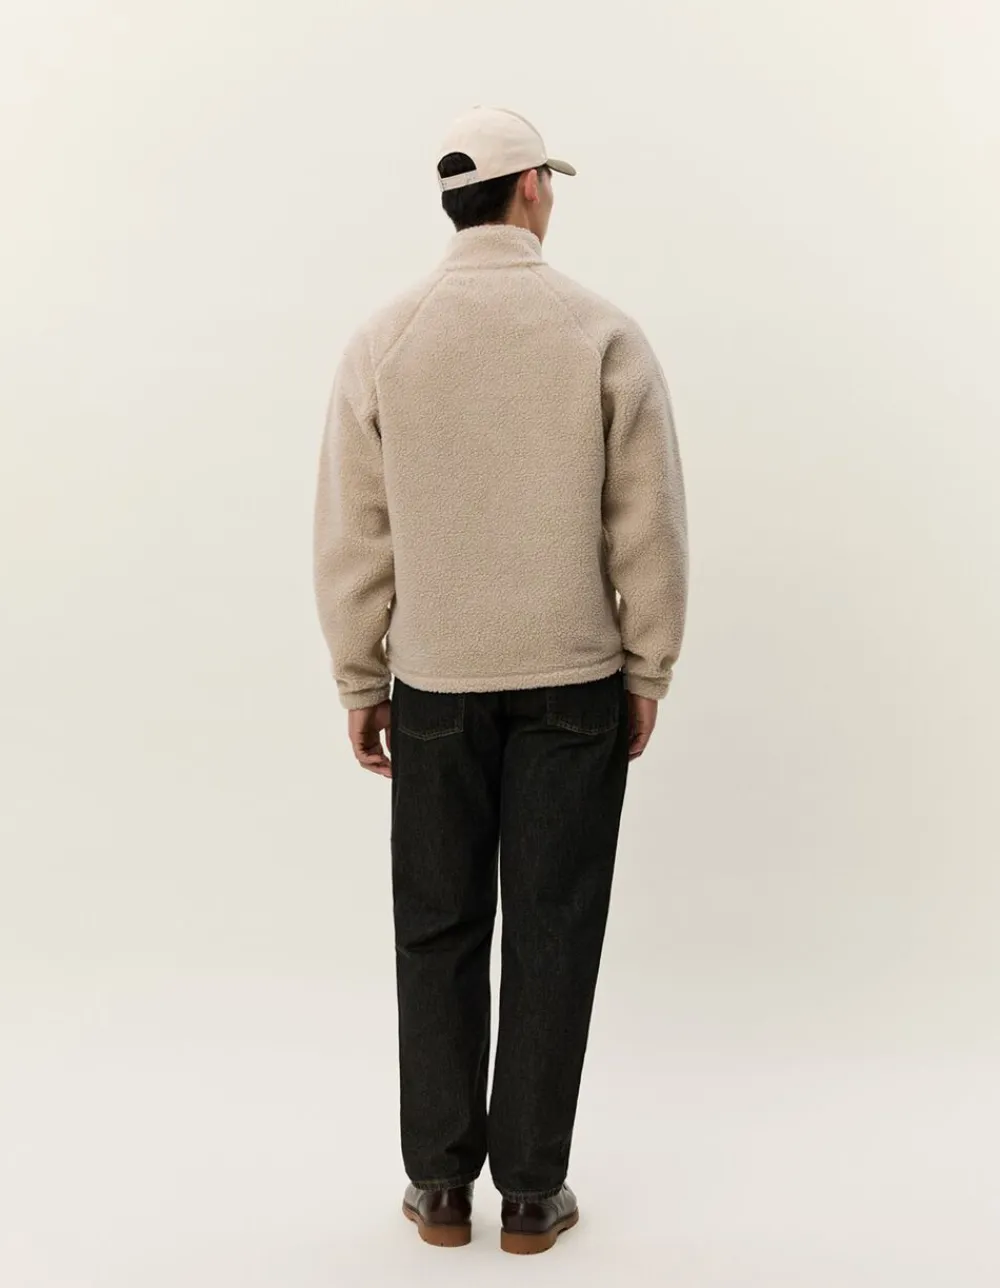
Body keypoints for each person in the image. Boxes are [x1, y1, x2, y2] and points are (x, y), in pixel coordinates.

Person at [313, 105, 688, 1255]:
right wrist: (648, 663)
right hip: (575, 681)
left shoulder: (385, 339)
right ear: (529, 188)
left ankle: (437, 1187)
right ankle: (530, 1193)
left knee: (437, 928)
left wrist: (360, 677)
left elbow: (354, 531)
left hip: (432, 683)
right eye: (549, 183)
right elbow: (647, 521)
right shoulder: (601, 333)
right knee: (552, 930)